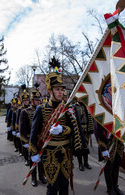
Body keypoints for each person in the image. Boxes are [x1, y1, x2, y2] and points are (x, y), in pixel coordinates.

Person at [29, 57, 84, 195]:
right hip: (49, 154)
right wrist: (34, 152)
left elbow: (74, 130)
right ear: (50, 90)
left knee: (64, 186)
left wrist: (63, 129)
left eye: (62, 89)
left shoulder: (68, 108)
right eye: (57, 89)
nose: (61, 92)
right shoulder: (40, 109)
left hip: (66, 153)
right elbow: (34, 133)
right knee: (52, 187)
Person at [94, 121, 125, 195]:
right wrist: (103, 148)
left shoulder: (118, 109)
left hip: (118, 141)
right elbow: (97, 129)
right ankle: (110, 188)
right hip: (107, 143)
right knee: (108, 166)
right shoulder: (102, 109)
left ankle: (115, 186)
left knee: (117, 164)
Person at [19, 83, 47, 186]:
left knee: (42, 161)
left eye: (39, 100)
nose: (39, 101)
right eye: (36, 100)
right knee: (33, 161)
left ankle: (42, 176)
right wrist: (26, 142)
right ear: (31, 101)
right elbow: (22, 130)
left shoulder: (42, 111)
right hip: (31, 141)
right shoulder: (25, 112)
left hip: (41, 140)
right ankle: (33, 178)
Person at [74, 99, 94, 171]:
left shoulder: (87, 106)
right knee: (79, 147)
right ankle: (80, 164)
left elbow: (90, 118)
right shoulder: (74, 107)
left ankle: (86, 162)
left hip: (86, 130)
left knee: (86, 147)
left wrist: (90, 129)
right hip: (79, 129)